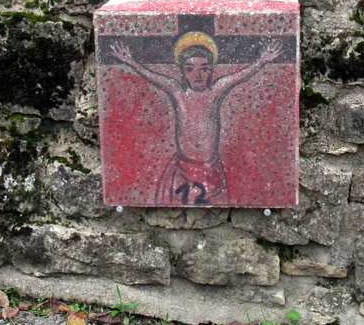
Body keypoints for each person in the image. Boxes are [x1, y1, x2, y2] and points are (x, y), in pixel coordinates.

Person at [111, 31, 282, 206]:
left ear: (211, 71)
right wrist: (130, 62)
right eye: (190, 69)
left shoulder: (214, 92)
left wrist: (261, 61)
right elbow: (154, 78)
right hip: (182, 168)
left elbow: (237, 78)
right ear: (183, 71)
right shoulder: (177, 92)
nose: (197, 75)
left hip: (210, 168)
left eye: (204, 69)